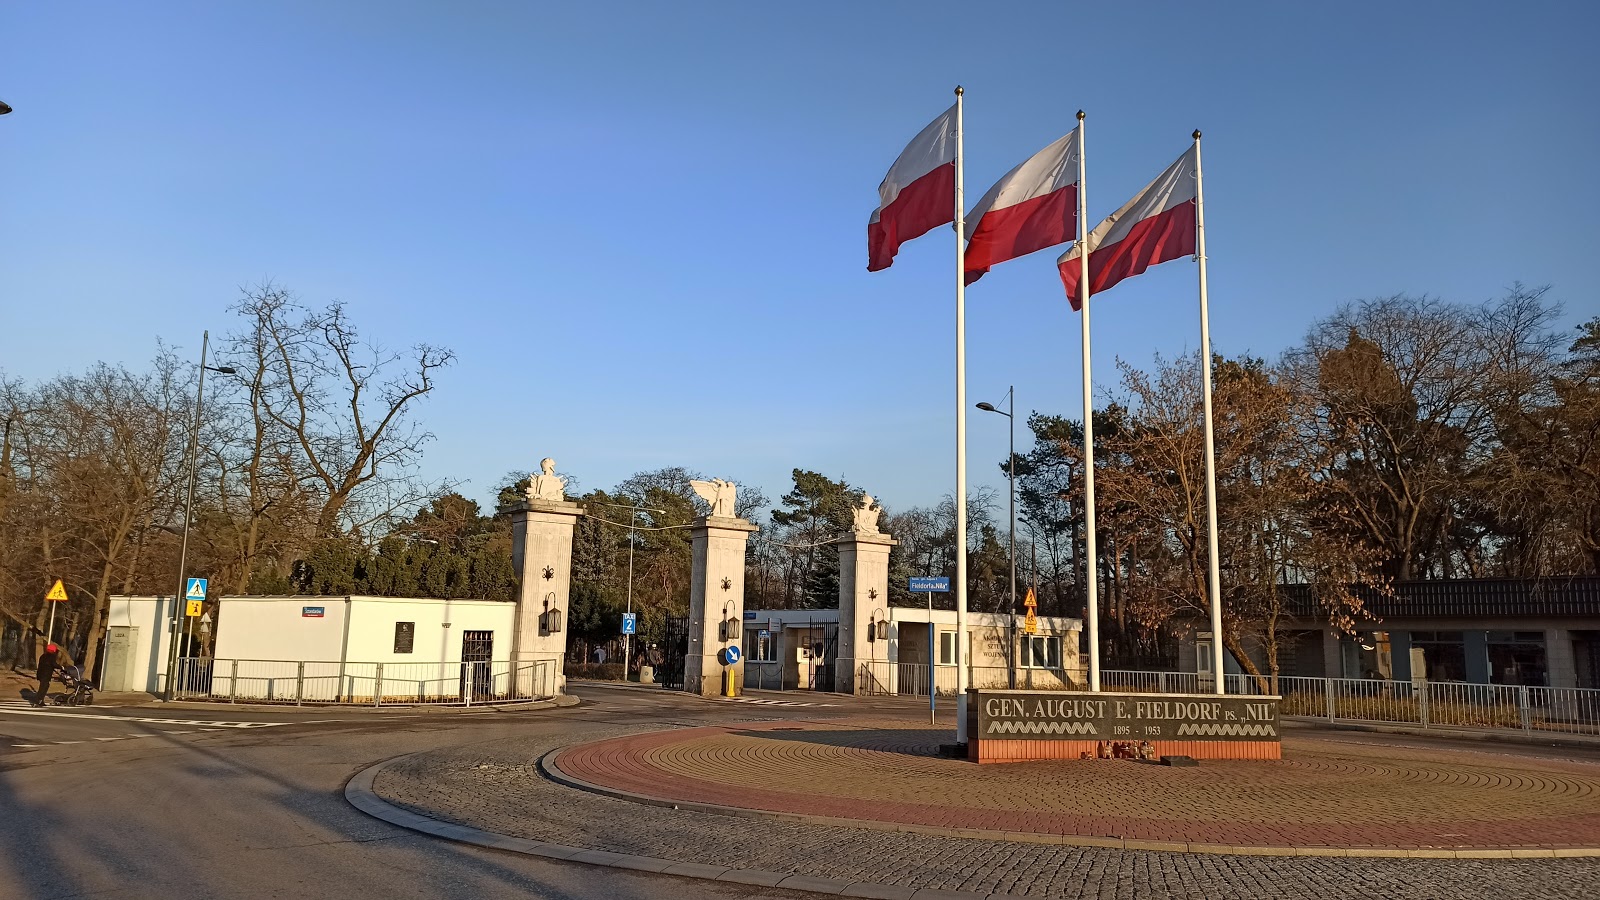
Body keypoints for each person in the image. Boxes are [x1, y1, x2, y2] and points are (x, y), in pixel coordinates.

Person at [34, 642, 59, 707]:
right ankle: (38, 701)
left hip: (41, 673)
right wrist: (61, 667)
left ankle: (41, 700)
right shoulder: (51, 656)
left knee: (45, 686)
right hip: (46, 674)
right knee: (43, 688)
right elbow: (53, 664)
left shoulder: (43, 656)